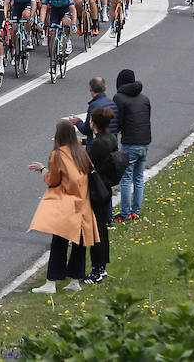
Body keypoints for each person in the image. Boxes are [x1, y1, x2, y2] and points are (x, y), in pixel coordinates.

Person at [27, 118, 100, 294]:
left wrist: (43, 169)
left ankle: (51, 282)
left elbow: (53, 180)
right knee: (79, 243)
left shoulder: (58, 155)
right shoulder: (81, 152)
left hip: (66, 202)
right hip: (83, 202)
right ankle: (75, 280)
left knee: (59, 242)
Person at [112, 68, 151, 220]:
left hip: (130, 143)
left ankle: (125, 213)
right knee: (139, 178)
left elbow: (117, 121)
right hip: (145, 142)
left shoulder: (119, 98)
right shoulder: (145, 99)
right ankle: (136, 212)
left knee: (126, 178)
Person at [84, 107, 117, 284]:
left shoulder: (99, 144)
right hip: (106, 188)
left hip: (96, 189)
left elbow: (88, 165)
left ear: (94, 123)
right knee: (102, 229)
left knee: (96, 231)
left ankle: (96, 269)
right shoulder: (111, 139)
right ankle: (102, 267)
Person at [68, 76, 113, 143]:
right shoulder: (112, 104)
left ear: (90, 89)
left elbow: (87, 130)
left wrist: (77, 122)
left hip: (97, 144)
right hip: (111, 142)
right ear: (105, 88)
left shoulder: (94, 106)